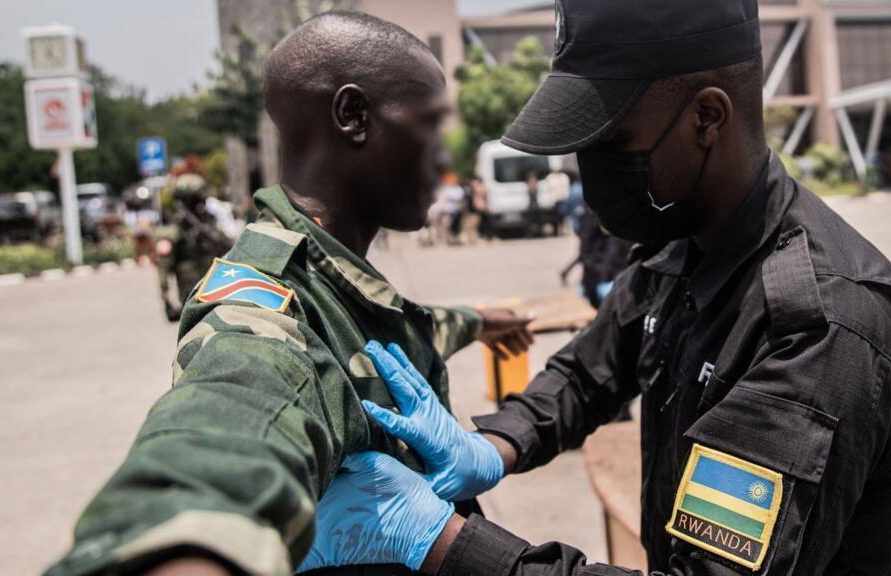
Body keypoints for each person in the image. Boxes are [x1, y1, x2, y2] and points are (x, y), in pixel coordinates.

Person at [306, 1, 891, 575]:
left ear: (708, 118)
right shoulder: (682, 247)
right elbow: (590, 371)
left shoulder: (822, 327)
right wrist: (492, 445)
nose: (590, 169)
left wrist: (442, 542)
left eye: (609, 142)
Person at [45, 12, 534, 576]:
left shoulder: (335, 273)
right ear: (353, 116)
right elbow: (238, 410)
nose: (443, 157)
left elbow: (385, 333)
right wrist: (187, 547)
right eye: (429, 124)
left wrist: (480, 318)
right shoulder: (262, 303)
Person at [154, 174, 233, 322]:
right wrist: (166, 300)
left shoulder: (209, 227)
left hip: (218, 297)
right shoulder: (174, 232)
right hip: (191, 302)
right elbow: (163, 268)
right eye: (197, 202)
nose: (201, 206)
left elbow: (231, 250)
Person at [544, 167, 571, 236]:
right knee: (555, 217)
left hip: (563, 199)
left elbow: (566, 189)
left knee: (563, 215)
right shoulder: (550, 177)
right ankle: (556, 231)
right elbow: (548, 189)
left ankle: (563, 230)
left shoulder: (564, 177)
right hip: (554, 200)